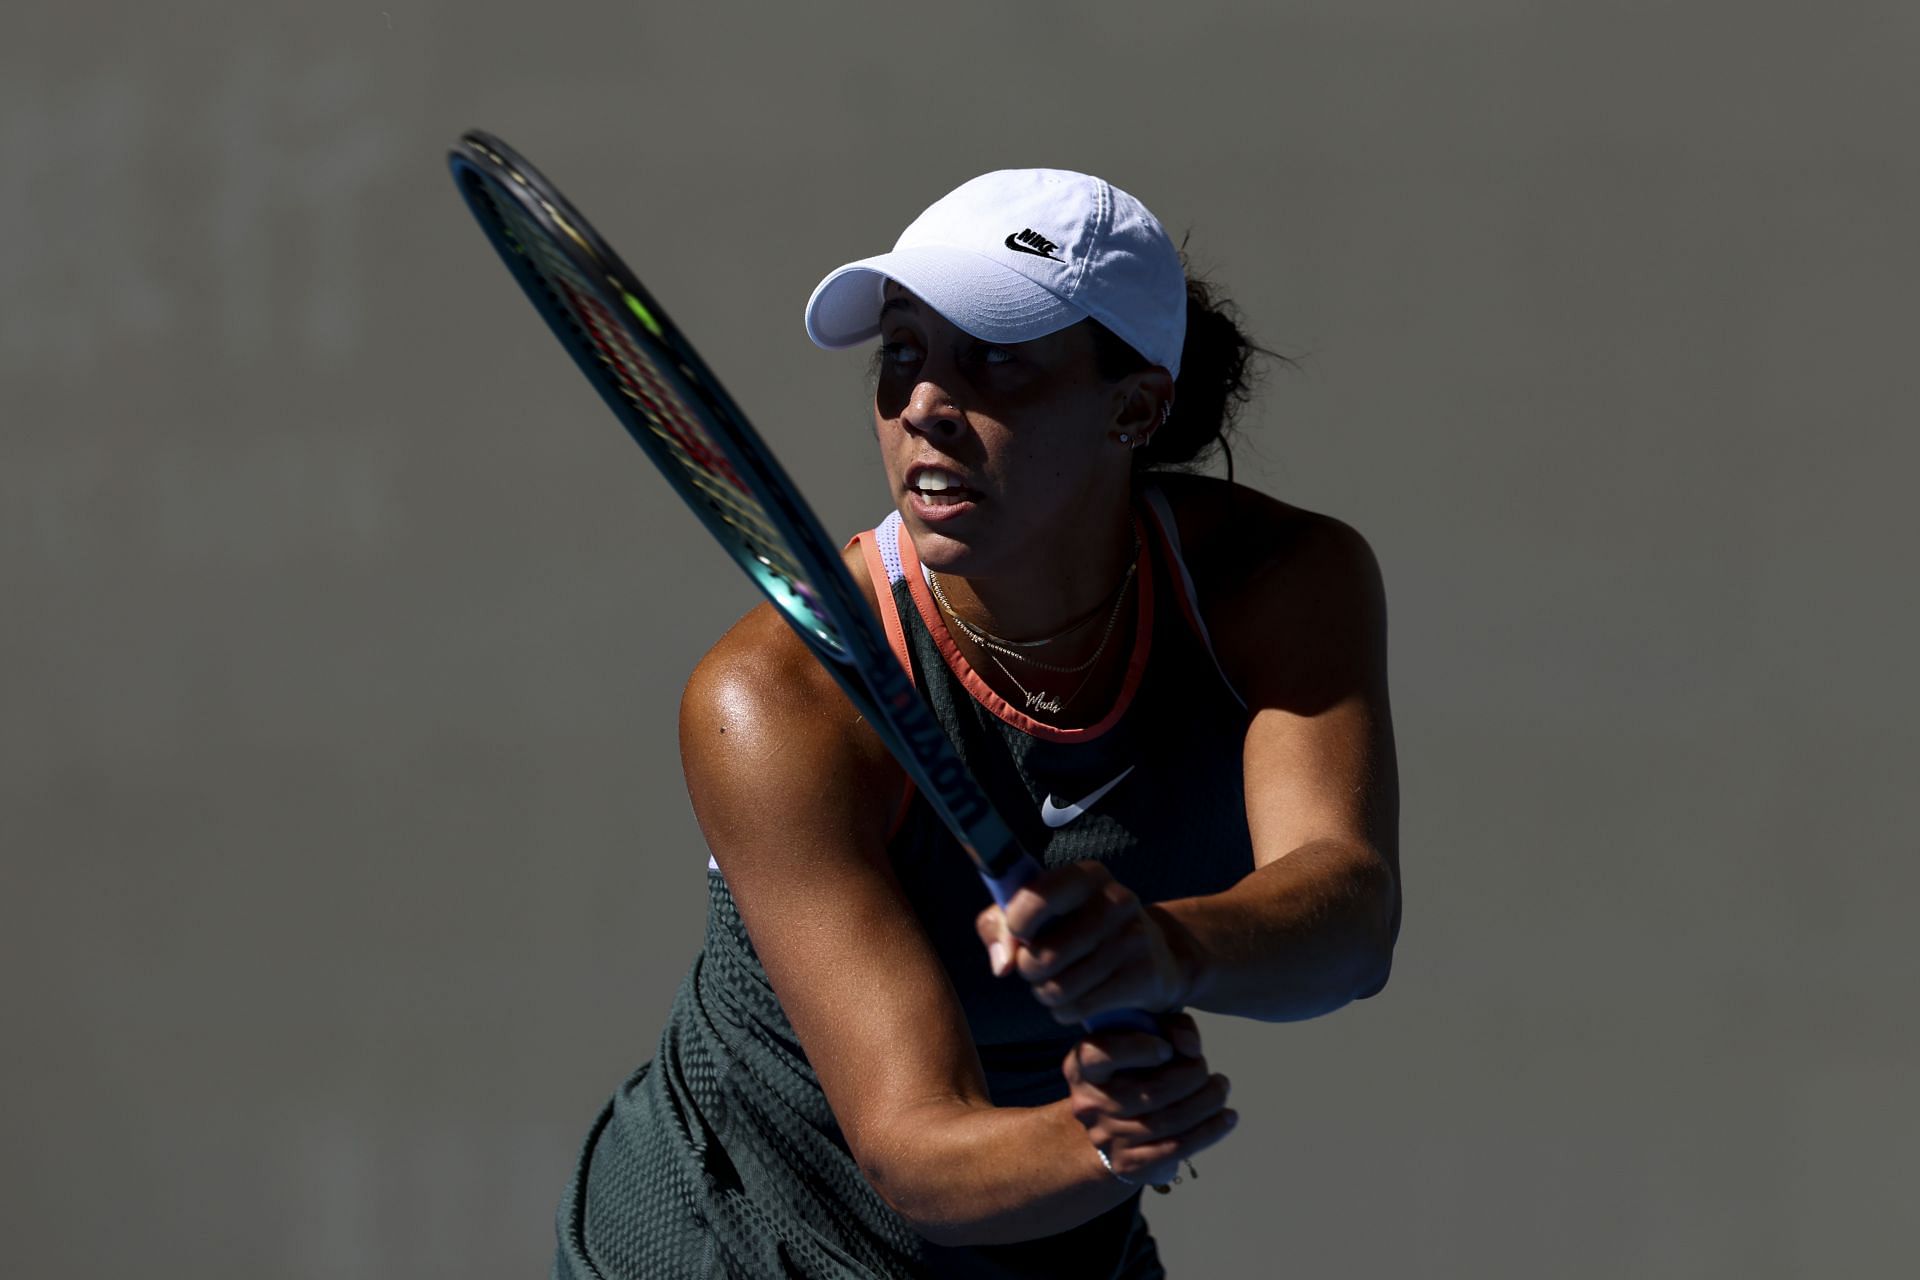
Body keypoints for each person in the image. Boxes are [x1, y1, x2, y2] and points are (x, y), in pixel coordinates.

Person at [553, 169, 1400, 1280]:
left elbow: (1349, 922)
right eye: (901, 353)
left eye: (995, 357)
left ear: (1135, 406)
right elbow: (916, 1152)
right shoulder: (776, 698)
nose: (924, 405)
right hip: (740, 1241)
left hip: (1055, 1237)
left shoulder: (1277, 585)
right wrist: (1108, 1133)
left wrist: (1167, 947)